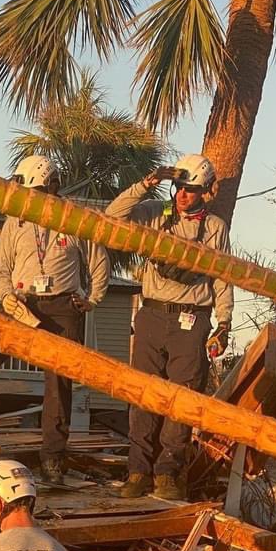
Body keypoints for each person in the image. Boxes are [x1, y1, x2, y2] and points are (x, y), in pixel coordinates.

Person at [0, 156, 110, 484]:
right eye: (26, 194)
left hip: (61, 306)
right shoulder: (16, 221)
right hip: (21, 303)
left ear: (53, 188)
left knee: (59, 379)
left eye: (37, 192)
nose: (30, 200)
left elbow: (99, 262)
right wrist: (6, 297)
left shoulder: (74, 219)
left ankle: (53, 456)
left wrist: (91, 299)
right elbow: (0, 269)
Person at [105, 155, 234, 501]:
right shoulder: (155, 214)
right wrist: (146, 183)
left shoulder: (215, 229)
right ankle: (137, 471)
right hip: (151, 314)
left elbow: (222, 277)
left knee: (182, 397)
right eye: (179, 187)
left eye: (191, 190)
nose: (182, 195)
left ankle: (168, 474)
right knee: (143, 393)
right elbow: (113, 217)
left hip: (192, 319)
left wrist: (224, 322)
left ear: (204, 192)